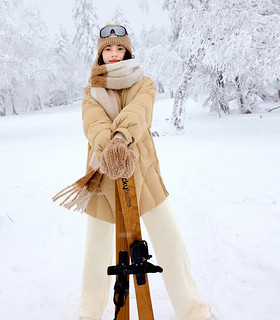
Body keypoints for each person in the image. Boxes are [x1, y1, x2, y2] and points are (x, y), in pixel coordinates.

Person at [53, 24, 213, 320]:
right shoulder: (92, 90)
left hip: (144, 174)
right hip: (102, 175)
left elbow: (139, 112)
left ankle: (195, 312)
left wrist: (120, 138)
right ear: (100, 55)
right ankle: (89, 314)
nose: (114, 54)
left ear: (127, 50)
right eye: (108, 50)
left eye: (119, 48)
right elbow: (93, 123)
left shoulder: (144, 83)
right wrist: (109, 145)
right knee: (97, 252)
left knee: (170, 242)